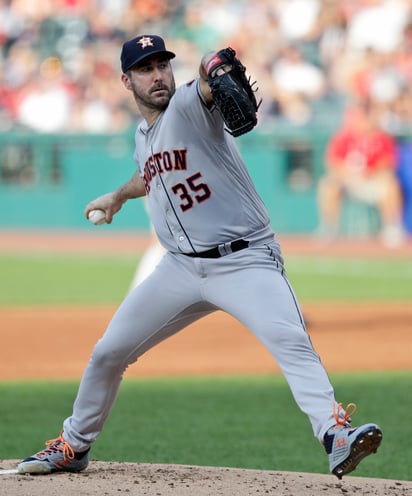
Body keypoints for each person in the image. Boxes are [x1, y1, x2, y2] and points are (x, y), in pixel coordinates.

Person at [17, 34, 382, 479]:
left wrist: (214, 65)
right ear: (125, 81)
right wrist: (117, 196)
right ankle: (73, 445)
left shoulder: (189, 104)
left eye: (163, 66)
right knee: (108, 353)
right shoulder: (143, 135)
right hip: (180, 269)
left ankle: (335, 435)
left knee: (290, 340)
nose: (158, 76)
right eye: (145, 69)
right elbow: (147, 172)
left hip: (245, 261)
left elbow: (211, 77)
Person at [317, 100, 405, 246]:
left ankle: (392, 227)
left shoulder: (381, 138)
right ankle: (329, 228)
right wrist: (347, 174)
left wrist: (370, 172)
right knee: (328, 184)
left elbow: (388, 163)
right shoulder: (344, 137)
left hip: (372, 181)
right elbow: (332, 162)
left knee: (390, 183)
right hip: (348, 182)